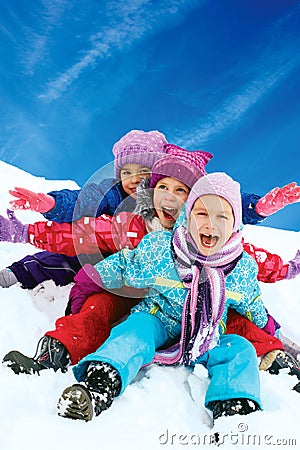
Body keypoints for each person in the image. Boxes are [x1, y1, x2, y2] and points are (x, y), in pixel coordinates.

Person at [55, 172, 274, 423]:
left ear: (235, 224)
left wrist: (270, 328)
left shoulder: (241, 268)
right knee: (134, 330)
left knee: (240, 349)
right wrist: (87, 281)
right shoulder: (162, 248)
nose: (210, 224)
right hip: (158, 319)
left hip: (207, 334)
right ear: (187, 215)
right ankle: (99, 384)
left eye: (222, 216)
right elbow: (126, 266)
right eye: (201, 213)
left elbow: (252, 303)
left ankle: (234, 412)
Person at [2, 145, 212, 372]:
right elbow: (84, 234)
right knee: (97, 306)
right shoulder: (133, 225)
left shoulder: (206, 238)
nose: (169, 196)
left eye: (180, 190)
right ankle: (55, 353)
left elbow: (241, 263)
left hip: (174, 310)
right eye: (162, 187)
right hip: (130, 291)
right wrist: (27, 232)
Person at [0, 129, 168, 289]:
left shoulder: (166, 200)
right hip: (105, 255)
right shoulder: (113, 193)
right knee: (75, 247)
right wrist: (53, 203)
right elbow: (86, 200)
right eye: (126, 173)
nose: (134, 179)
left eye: (144, 171)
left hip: (144, 270)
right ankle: (21, 272)